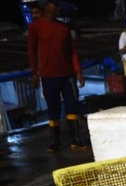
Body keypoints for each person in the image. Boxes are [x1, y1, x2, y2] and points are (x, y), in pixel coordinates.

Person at [28, 0, 86, 152]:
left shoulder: (64, 28)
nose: (58, 8)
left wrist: (78, 71)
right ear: (47, 6)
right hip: (48, 76)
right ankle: (55, 141)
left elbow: (72, 52)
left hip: (67, 75)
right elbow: (32, 52)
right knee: (53, 109)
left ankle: (76, 140)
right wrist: (35, 73)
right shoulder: (35, 27)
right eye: (55, 5)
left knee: (72, 106)